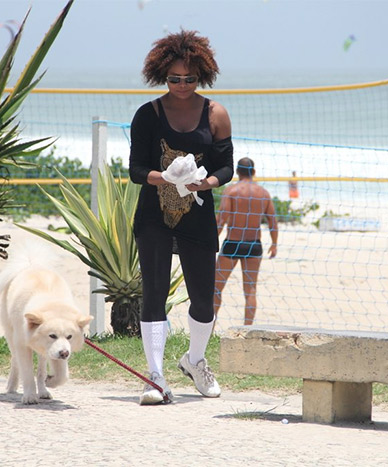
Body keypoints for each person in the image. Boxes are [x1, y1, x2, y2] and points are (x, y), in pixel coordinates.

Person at [129, 30, 234, 405]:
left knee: (204, 298)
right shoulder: (148, 114)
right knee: (154, 293)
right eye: (175, 78)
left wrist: (204, 182)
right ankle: (155, 376)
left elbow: (226, 168)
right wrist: (164, 177)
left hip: (198, 215)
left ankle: (195, 359)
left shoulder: (216, 114)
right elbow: (136, 169)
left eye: (190, 78)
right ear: (162, 76)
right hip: (154, 214)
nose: (182, 85)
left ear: (201, 75)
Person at [214, 157, 278, 326]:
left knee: (216, 288)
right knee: (250, 290)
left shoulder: (232, 191)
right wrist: (274, 243)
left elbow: (221, 219)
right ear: (254, 172)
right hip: (253, 245)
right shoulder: (263, 193)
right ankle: (247, 329)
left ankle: (209, 328)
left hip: (233, 244)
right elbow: (272, 221)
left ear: (237, 172)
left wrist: (212, 240)